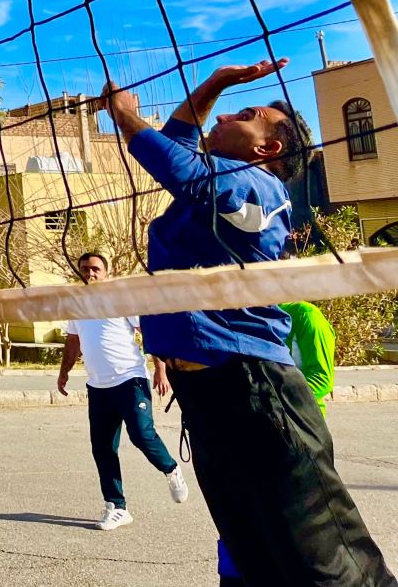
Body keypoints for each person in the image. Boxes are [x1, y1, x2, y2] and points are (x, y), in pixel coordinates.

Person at [102, 57, 394, 587]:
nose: (222, 117)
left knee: (328, 564)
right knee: (255, 557)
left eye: (245, 115)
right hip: (207, 394)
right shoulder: (218, 186)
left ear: (267, 149)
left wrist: (124, 115)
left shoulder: (259, 187)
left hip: (256, 388)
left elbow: (177, 164)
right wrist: (216, 83)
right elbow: (177, 144)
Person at [55, 250, 188, 530]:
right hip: (98, 386)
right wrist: (64, 371)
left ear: (106, 272)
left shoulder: (120, 299)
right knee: (103, 447)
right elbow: (73, 341)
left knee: (141, 434)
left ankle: (171, 469)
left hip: (130, 380)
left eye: (95, 269)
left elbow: (148, 333)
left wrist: (161, 370)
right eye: (85, 269)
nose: (90, 273)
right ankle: (116, 506)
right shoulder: (75, 304)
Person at [217, 299, 338, 585]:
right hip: (252, 430)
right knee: (242, 518)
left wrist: (272, 405)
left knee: (299, 525)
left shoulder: (306, 316)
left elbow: (322, 378)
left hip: (299, 434)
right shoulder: (246, 314)